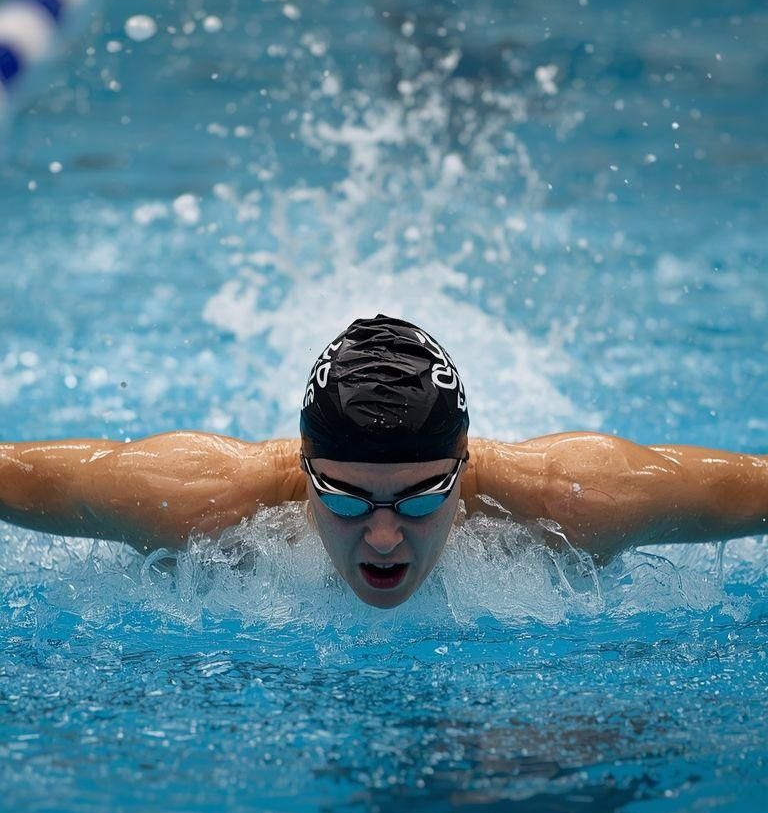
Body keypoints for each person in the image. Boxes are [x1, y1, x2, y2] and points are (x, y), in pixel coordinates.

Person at [1, 314, 766, 609]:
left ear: (464, 468)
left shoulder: (580, 497)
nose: (384, 538)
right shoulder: (192, 498)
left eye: (423, 496)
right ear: (304, 468)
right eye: (343, 497)